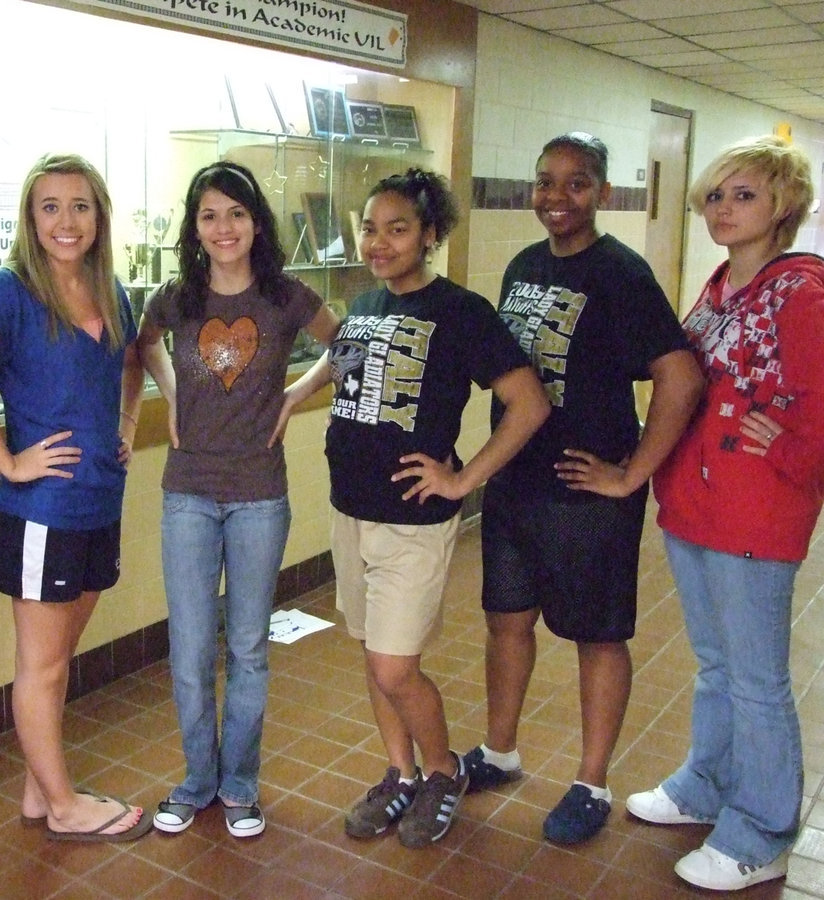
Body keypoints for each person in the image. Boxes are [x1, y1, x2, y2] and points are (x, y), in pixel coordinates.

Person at [279, 168, 551, 847]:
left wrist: (466, 482)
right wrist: (292, 394)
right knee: (375, 654)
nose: (379, 241)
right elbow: (338, 358)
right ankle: (400, 774)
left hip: (412, 521)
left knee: (397, 667)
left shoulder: (462, 312)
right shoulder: (367, 303)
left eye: (398, 229)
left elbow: (529, 404)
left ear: (430, 236)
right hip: (352, 511)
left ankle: (442, 769)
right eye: (370, 227)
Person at [461, 132, 703, 844]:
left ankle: (591, 783)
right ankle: (500, 753)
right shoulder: (523, 265)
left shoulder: (622, 274)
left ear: (601, 191)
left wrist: (632, 475)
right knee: (507, 622)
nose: (556, 198)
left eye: (575, 183)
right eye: (545, 182)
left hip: (586, 492)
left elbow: (680, 377)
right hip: (515, 485)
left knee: (596, 637)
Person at [626, 136, 824, 891]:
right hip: (696, 506)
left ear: (782, 206)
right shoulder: (718, 286)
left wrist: (791, 452)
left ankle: (761, 832)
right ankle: (704, 785)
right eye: (715, 195)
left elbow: (816, 406)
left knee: (757, 681)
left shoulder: (801, 291)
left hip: (755, 515)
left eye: (742, 195)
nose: (723, 208)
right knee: (717, 667)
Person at [0, 152, 151, 843]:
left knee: (61, 658)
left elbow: (130, 361)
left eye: (80, 206)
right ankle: (62, 807)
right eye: (50, 207)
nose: (66, 221)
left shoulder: (109, 288)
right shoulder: (10, 290)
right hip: (43, 513)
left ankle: (40, 788)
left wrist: (125, 424)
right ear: (31, 217)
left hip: (98, 502)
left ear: (99, 217)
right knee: (42, 665)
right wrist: (6, 458)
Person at [135, 161, 340, 838]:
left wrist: (294, 395)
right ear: (194, 227)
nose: (224, 228)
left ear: (257, 222)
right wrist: (168, 392)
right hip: (188, 495)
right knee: (191, 647)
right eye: (209, 215)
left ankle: (240, 784)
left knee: (248, 646)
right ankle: (197, 780)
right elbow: (143, 346)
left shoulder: (285, 297)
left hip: (259, 497)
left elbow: (347, 348)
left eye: (236, 214)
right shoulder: (177, 297)